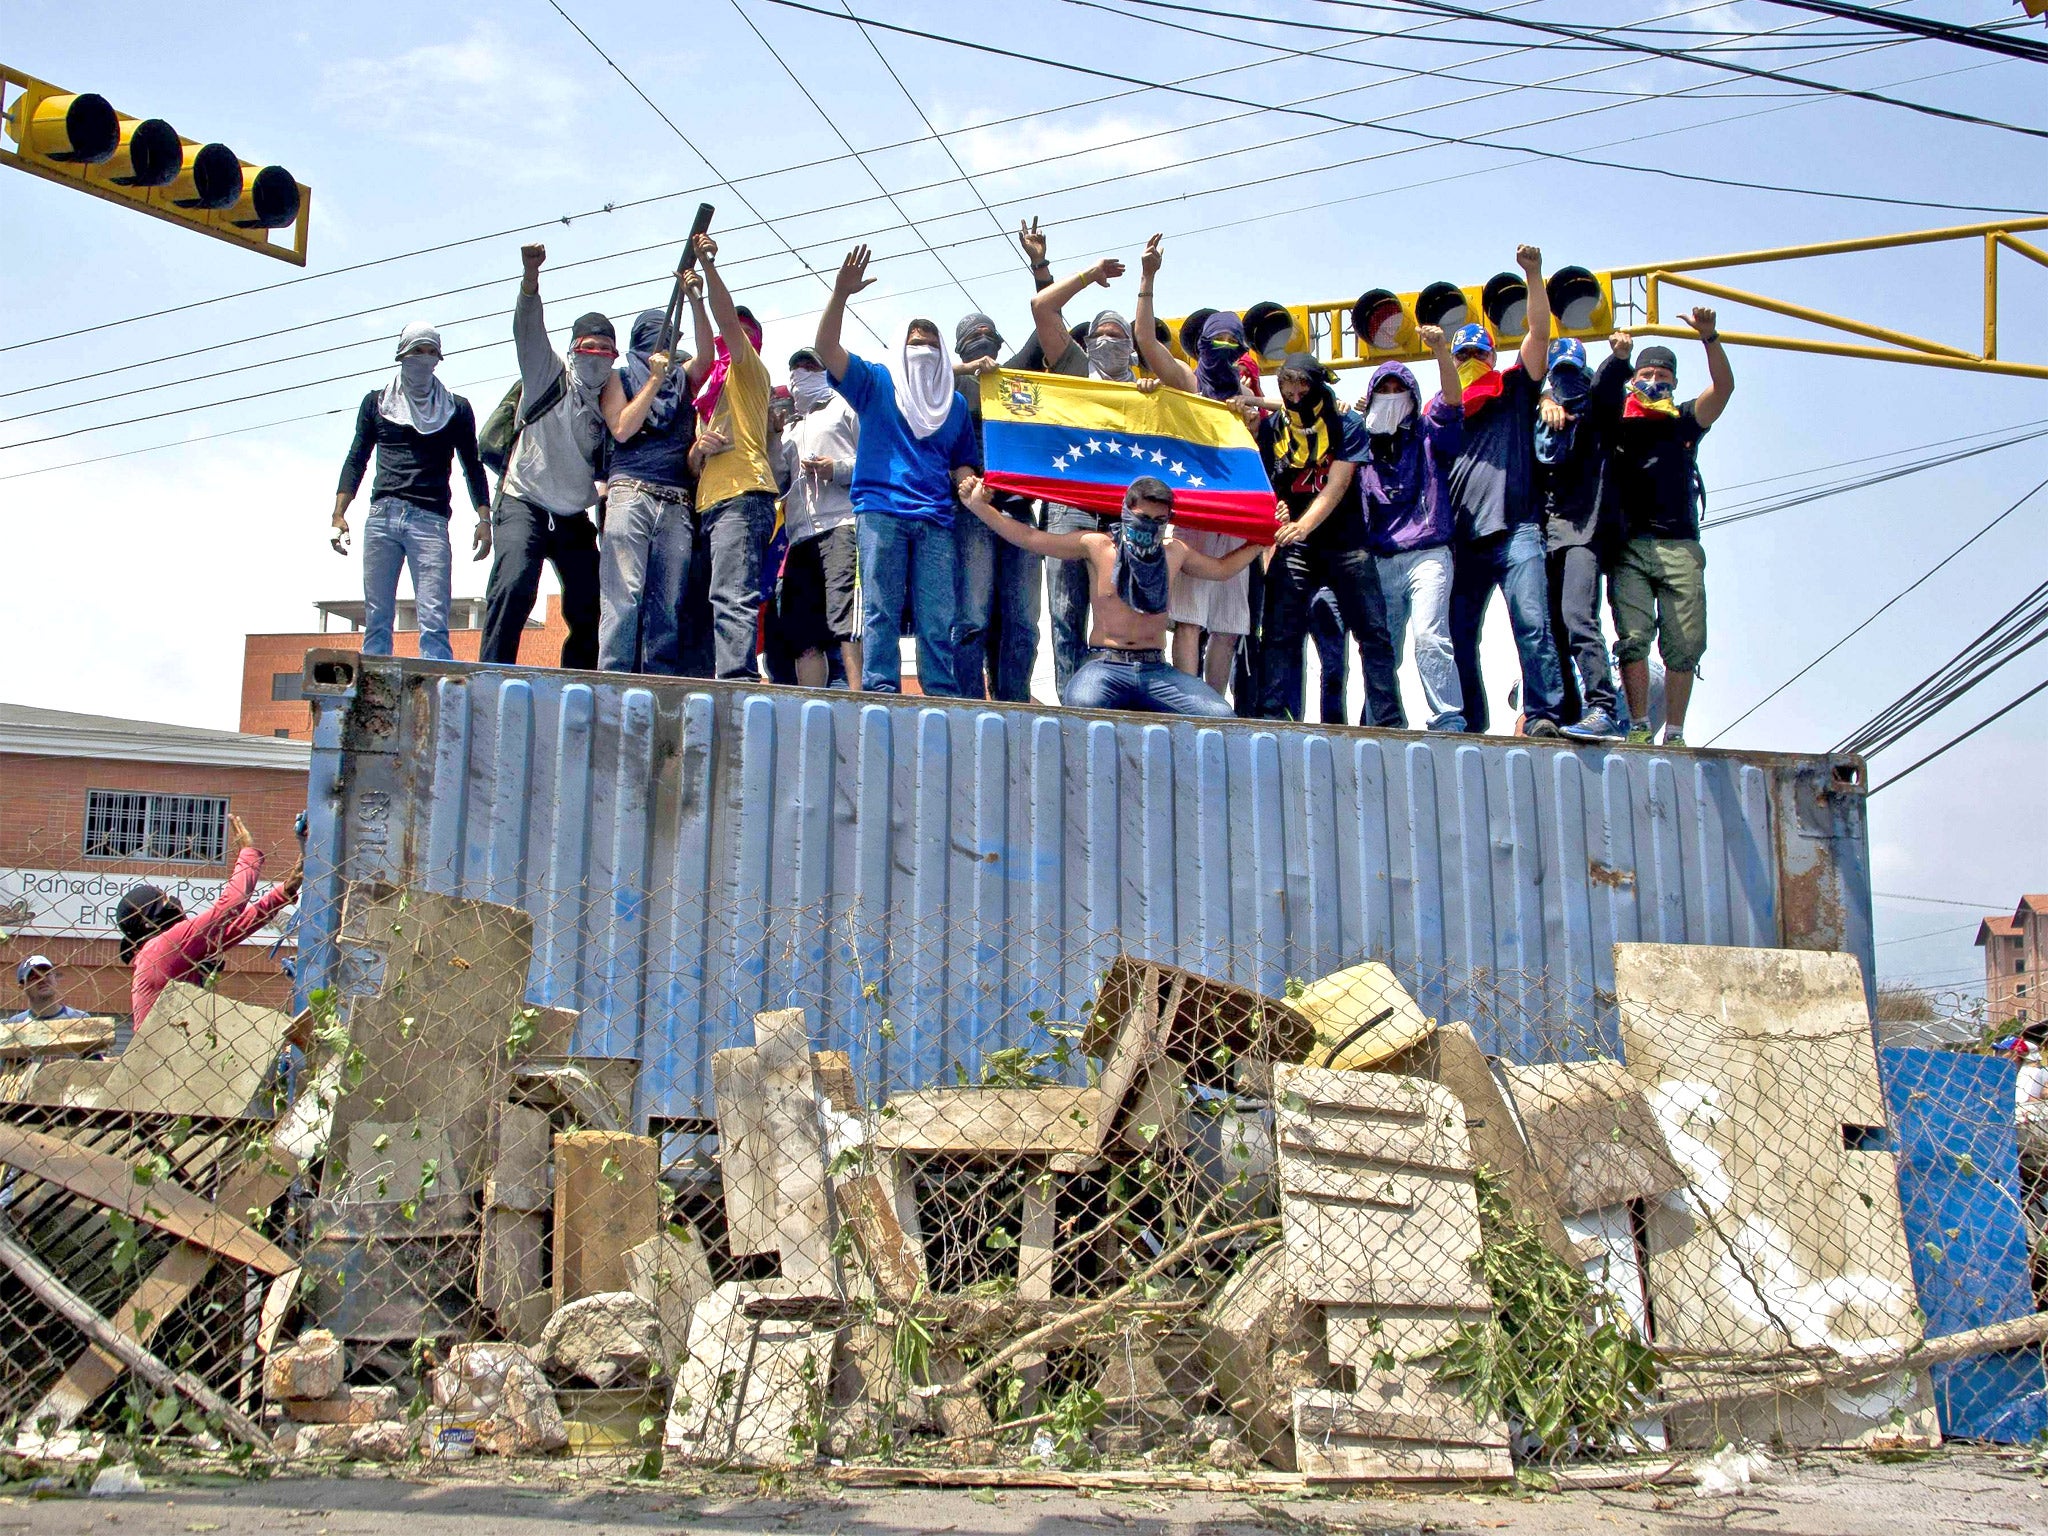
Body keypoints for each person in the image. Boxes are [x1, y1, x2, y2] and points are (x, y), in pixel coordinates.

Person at [813, 245, 981, 696]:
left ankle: (941, 694)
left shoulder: (955, 402)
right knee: (880, 610)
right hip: (881, 510)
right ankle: (881, 689)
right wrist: (840, 295)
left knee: (937, 614)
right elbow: (825, 349)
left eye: (930, 345)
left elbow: (961, 457)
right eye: (914, 343)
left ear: (944, 354)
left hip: (936, 519)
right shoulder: (876, 382)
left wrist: (965, 478)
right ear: (898, 347)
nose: (922, 352)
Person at [958, 474, 1260, 716]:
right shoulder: (1098, 546)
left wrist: (1261, 539)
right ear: (1127, 510)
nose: (1149, 527)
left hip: (1156, 668)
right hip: (1107, 664)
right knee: (1081, 707)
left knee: (1219, 713)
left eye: (1159, 520)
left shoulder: (1174, 552)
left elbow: (1221, 569)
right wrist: (979, 507)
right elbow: (1030, 537)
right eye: (1143, 517)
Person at [1444, 244, 1567, 738]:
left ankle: (1543, 716)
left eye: (1479, 352)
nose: (1472, 359)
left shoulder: (1514, 389)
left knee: (1532, 627)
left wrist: (1534, 276)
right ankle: (1472, 726)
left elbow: (1539, 333)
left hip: (1516, 531)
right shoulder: (1443, 408)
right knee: (1456, 637)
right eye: (1463, 355)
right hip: (1462, 542)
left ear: (1493, 355)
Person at [1133, 234, 1258, 701]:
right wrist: (1147, 276)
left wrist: (1251, 416)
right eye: (1215, 343)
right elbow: (1145, 339)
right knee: (1188, 621)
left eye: (1233, 344)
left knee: (1227, 626)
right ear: (1202, 346)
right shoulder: (1187, 382)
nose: (1223, 352)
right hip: (1194, 509)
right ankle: (1190, 706)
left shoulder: (1248, 398)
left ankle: (1214, 710)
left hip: (1237, 515)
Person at [1606, 309, 1732, 747]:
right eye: (1645, 373)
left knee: (1685, 642)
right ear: (1632, 378)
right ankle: (1639, 726)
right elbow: (1572, 397)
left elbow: (1723, 390)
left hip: (1679, 545)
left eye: (1662, 375)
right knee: (1633, 638)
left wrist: (1710, 338)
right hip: (1630, 546)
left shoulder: (1683, 421)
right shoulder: (1618, 420)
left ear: (1675, 382)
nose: (1653, 380)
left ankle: (1674, 733)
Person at [1253, 354, 1401, 726]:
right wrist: (1280, 509)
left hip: (1346, 544)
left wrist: (1303, 524)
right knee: (1279, 630)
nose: (1295, 393)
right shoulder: (1275, 429)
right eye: (1287, 385)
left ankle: (1387, 720)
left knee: (1373, 634)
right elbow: (1272, 484)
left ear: (1318, 384)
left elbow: (1338, 484)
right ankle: (1273, 713)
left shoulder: (1347, 423)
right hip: (1297, 544)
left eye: (1303, 384)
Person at [480, 244, 606, 670]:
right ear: (572, 349)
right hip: (525, 500)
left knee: (592, 601)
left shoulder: (612, 399)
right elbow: (527, 329)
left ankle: (579, 681)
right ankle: (492, 673)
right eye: (589, 348)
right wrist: (530, 278)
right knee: (515, 583)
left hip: (573, 516)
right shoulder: (548, 375)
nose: (597, 357)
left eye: (606, 351)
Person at [331, 322, 488, 660]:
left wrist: (484, 518)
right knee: (377, 617)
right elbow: (357, 457)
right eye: (418, 351)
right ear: (402, 355)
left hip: (430, 521)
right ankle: (374, 692)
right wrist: (339, 514)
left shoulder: (454, 409)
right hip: (382, 516)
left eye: (432, 352)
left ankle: (435, 694)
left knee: (433, 621)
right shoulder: (377, 404)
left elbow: (471, 464)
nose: (425, 359)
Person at [1028, 251, 1140, 696]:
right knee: (1064, 613)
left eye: (1117, 336)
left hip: (1122, 515)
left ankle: (1113, 702)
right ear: (1088, 343)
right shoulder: (1075, 370)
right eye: (1100, 335)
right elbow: (1042, 309)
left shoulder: (1144, 387)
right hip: (1069, 509)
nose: (1107, 342)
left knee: (1122, 613)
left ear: (1131, 347)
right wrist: (1090, 275)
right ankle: (1072, 705)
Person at [596, 273, 716, 675]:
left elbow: (708, 354)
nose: (669, 347)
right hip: (631, 491)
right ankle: (612, 676)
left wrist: (696, 298)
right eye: (662, 338)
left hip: (676, 500)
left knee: (668, 599)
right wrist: (652, 380)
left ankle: (658, 680)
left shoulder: (684, 377)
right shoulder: (621, 376)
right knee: (624, 594)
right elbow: (622, 427)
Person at [678, 233, 779, 681]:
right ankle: (710, 679)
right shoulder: (708, 395)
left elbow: (726, 322)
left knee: (732, 595)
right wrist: (699, 450)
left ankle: (736, 681)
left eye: (737, 334)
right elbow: (693, 466)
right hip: (708, 505)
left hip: (743, 496)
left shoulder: (749, 370)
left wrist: (710, 270)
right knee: (708, 600)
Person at [1356, 325, 1466, 732]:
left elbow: (1452, 401)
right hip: (1382, 559)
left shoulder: (1427, 431)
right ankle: (1380, 720)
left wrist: (1440, 350)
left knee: (1430, 638)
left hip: (1428, 555)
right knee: (1381, 649)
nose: (1390, 398)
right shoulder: (1360, 441)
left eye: (1397, 390)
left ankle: (1448, 718)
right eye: (1381, 391)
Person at [1534, 333, 1633, 741]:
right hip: (1546, 535)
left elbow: (1607, 389)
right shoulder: (1541, 419)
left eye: (1573, 373)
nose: (1566, 382)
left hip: (1584, 531)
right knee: (1552, 627)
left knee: (1578, 617)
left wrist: (1619, 357)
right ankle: (1570, 712)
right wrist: (1543, 400)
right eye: (1559, 375)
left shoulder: (1597, 412)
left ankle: (1603, 707)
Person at [116, 816, 300, 1026]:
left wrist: (285, 891)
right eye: (165, 901)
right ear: (149, 921)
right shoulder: (164, 947)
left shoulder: (161, 952)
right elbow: (231, 905)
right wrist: (247, 853)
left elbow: (235, 929)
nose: (173, 904)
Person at [952, 305, 1046, 702]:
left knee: (1023, 621)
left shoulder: (1014, 377)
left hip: (1020, 510)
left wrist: (1041, 269)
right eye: (973, 340)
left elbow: (1045, 326)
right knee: (973, 618)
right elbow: (909, 370)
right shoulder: (948, 388)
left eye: (987, 336)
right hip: (972, 512)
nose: (983, 345)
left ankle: (1015, 702)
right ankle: (970, 703)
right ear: (957, 350)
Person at [776, 348, 862, 690]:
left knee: (847, 620)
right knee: (802, 631)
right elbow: (776, 482)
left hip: (842, 524)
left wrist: (836, 469)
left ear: (825, 371)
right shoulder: (787, 427)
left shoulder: (846, 408)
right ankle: (810, 702)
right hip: (799, 536)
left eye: (810, 365)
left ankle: (858, 701)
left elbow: (876, 464)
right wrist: (771, 436)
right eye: (795, 367)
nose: (801, 372)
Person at [6, 956, 90, 1024]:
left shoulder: (79, 1019)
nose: (42, 980)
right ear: (22, 986)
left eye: (47, 974)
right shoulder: (16, 1023)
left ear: (55, 978)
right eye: (34, 977)